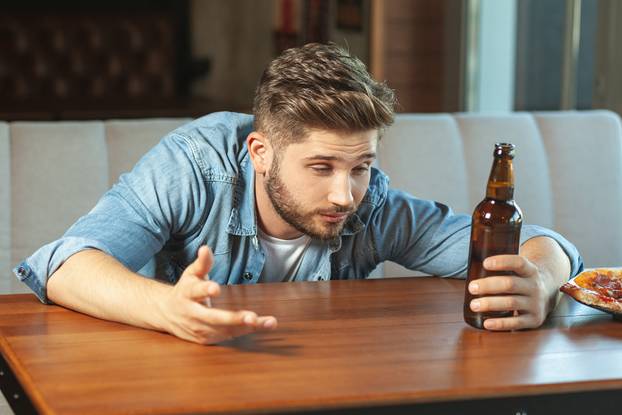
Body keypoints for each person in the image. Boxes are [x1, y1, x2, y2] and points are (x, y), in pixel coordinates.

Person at [14, 43, 582, 345]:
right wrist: (166, 309)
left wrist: (541, 278)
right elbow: (65, 263)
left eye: (361, 165)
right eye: (321, 166)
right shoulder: (194, 167)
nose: (346, 194)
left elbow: (541, 243)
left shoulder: (371, 201)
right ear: (259, 153)